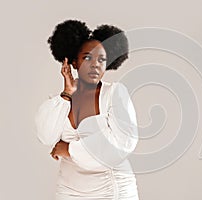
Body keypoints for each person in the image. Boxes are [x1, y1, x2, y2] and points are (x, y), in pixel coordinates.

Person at [35, 19, 139, 200]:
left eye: (102, 59)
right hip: (69, 191)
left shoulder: (115, 94)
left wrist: (69, 149)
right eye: (87, 57)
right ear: (73, 62)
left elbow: (122, 143)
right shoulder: (61, 102)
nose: (95, 64)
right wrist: (66, 94)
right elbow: (45, 136)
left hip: (113, 190)